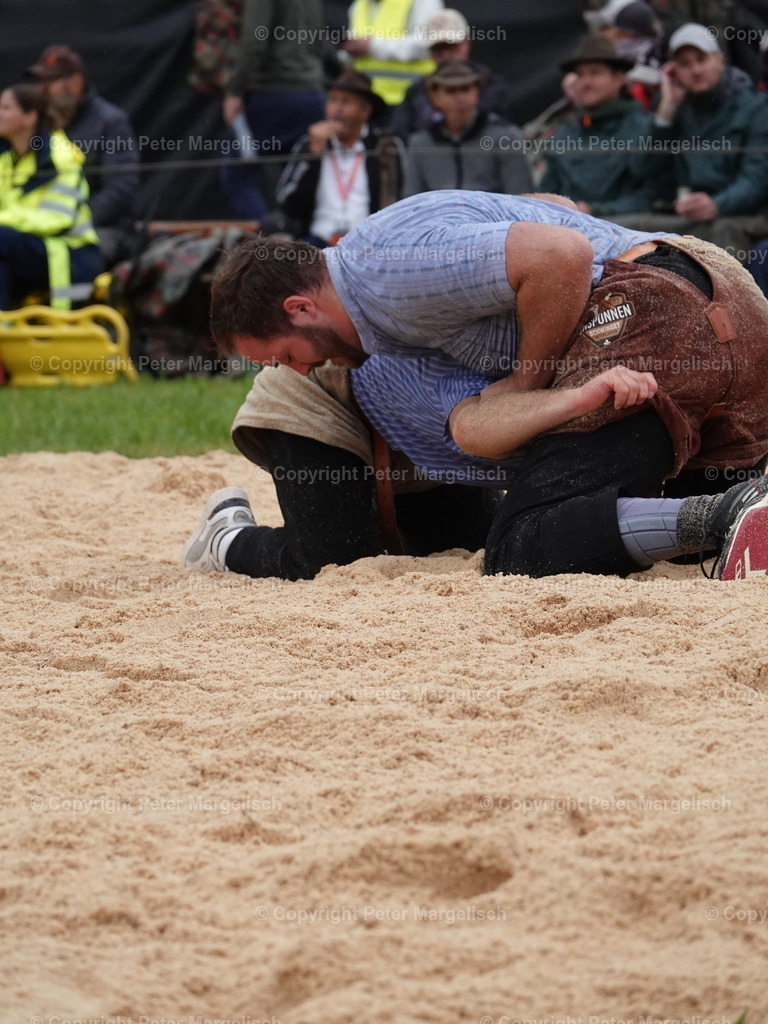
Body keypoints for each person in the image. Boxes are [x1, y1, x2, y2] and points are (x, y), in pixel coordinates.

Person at [204, 189, 768, 579]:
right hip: (732, 294)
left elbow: (562, 252)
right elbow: (557, 209)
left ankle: (726, 512)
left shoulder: (384, 277)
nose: (303, 370)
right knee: (664, 530)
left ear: (300, 308)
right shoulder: (386, 280)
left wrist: (528, 381)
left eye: (286, 357)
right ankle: (735, 509)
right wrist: (568, 392)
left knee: (523, 542)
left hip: (651, 311)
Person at [182, 361, 502, 579]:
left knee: (491, 549)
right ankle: (226, 541)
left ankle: (357, 513)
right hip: (319, 397)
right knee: (337, 567)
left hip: (424, 423)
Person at [612, 23, 768, 258]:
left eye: (701, 59)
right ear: (673, 70)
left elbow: (757, 178)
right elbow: (642, 169)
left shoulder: (756, 107)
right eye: (684, 64)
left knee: (722, 233)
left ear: (720, 60)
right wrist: (666, 109)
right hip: (692, 216)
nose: (695, 70)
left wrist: (717, 204)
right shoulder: (679, 109)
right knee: (625, 230)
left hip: (745, 214)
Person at [28, 44, 140, 267]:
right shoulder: (35, 124)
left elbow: (122, 186)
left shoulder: (110, 122)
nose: (43, 89)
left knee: (69, 260)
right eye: (40, 81)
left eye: (51, 81)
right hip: (40, 225)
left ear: (76, 82)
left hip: (103, 229)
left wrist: (75, 220)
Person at [0, 82, 102, 311]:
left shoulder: (59, 157)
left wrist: (3, 220)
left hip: (71, 254)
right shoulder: (5, 158)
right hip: (26, 248)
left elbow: (56, 219)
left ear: (29, 117)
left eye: (6, 108)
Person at [222, 0, 326, 219]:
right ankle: (296, 235)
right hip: (312, 94)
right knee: (297, 176)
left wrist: (235, 91)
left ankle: (270, 236)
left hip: (274, 93)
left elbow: (254, 43)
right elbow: (319, 42)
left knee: (237, 175)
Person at [274, 70, 402, 247]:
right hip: (317, 241)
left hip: (368, 242)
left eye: (346, 102)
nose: (337, 109)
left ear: (365, 111)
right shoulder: (308, 143)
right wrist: (313, 156)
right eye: (332, 100)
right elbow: (287, 203)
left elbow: (399, 200)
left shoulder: (384, 148)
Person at [539, 36, 658, 217]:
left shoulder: (645, 128)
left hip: (627, 230)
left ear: (619, 78)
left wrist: (596, 211)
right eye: (580, 75)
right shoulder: (563, 134)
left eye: (595, 73)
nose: (585, 83)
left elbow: (653, 194)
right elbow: (546, 194)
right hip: (566, 231)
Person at [402, 61, 532, 197]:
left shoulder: (505, 137)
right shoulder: (421, 142)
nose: (460, 98)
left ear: (477, 92)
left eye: (466, 89)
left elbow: (521, 196)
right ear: (434, 97)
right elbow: (412, 199)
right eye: (450, 91)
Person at [390, 9, 512, 140]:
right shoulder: (416, 92)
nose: (445, 55)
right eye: (438, 49)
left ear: (467, 42)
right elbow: (401, 135)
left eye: (451, 46)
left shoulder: (491, 85)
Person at [342, 0, 443, 109]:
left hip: (410, 100)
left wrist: (373, 46)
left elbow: (426, 43)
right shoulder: (360, 4)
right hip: (367, 99)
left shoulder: (423, 2)